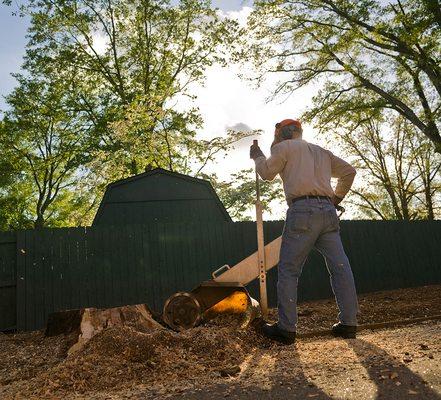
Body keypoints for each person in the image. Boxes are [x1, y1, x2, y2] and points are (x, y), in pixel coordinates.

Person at [250, 119, 359, 344]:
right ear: (299, 132)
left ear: (282, 135)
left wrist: (258, 156)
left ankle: (286, 328)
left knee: (289, 270)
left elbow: (267, 173)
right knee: (341, 267)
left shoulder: (283, 148)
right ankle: (349, 323)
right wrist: (335, 198)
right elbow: (349, 171)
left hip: (302, 211)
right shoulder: (321, 152)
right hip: (328, 212)